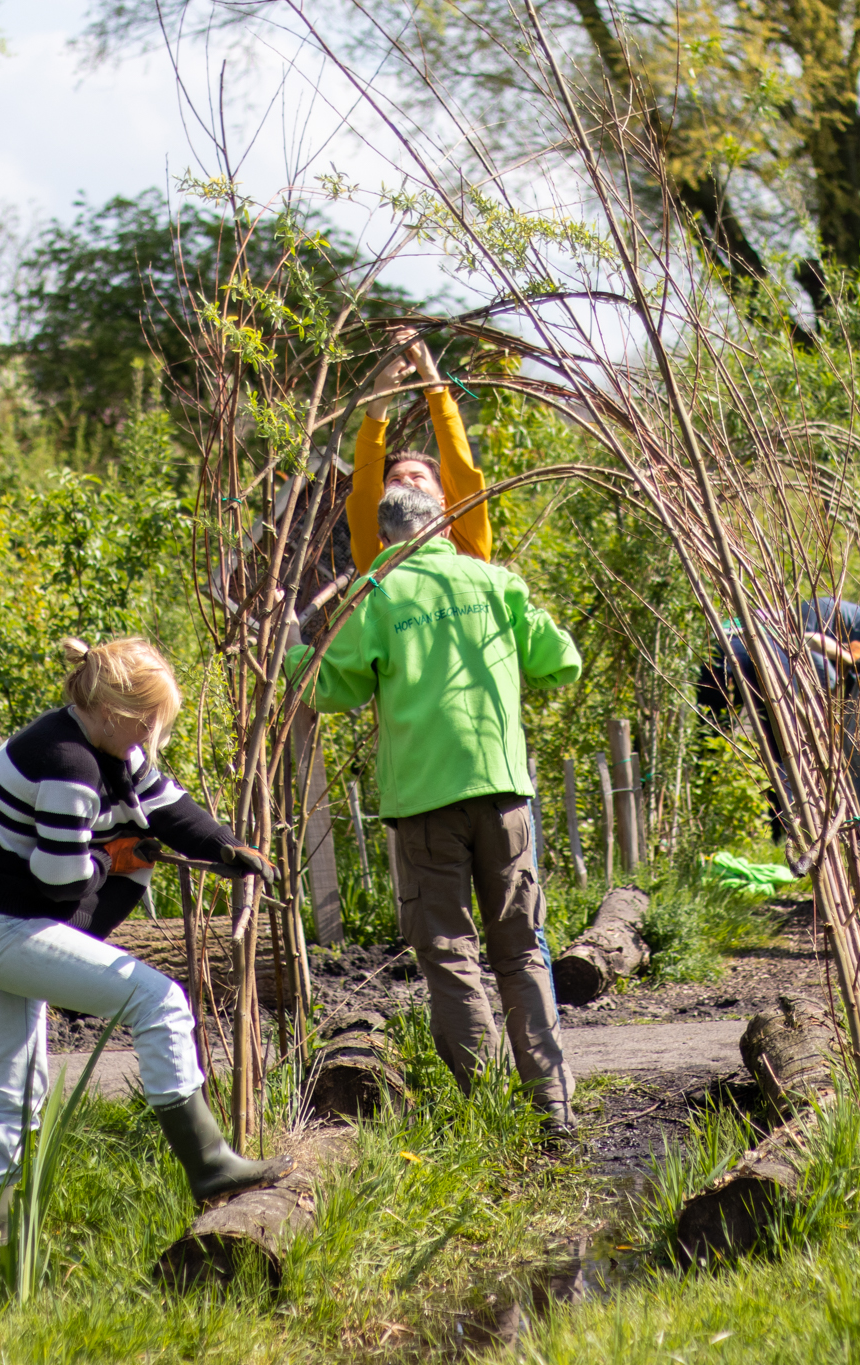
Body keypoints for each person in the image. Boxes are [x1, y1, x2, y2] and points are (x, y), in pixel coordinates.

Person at [0, 637, 287, 1210]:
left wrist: (227, 847)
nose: (153, 736)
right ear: (110, 711)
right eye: (148, 721)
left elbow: (169, 805)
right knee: (160, 1002)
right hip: (0, 927)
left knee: (14, 1091)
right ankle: (208, 1164)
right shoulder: (68, 764)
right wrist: (115, 859)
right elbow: (60, 884)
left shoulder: (107, 745)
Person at [286, 484, 582, 1132]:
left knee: (450, 952)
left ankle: (491, 1110)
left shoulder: (379, 594)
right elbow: (561, 662)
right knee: (522, 949)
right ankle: (552, 1107)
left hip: (423, 804)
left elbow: (332, 685)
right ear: (443, 522)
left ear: (386, 537)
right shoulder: (494, 581)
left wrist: (291, 655)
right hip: (503, 791)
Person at [696, 598, 860, 848]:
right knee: (851, 740)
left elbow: (821, 657)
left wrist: (840, 673)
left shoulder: (804, 613)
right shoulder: (800, 617)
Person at [345, 327, 490, 569]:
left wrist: (430, 374)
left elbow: (460, 468)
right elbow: (365, 490)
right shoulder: (378, 554)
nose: (407, 483)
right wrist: (379, 398)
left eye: (417, 476)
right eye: (395, 480)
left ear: (444, 503)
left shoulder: (466, 548)